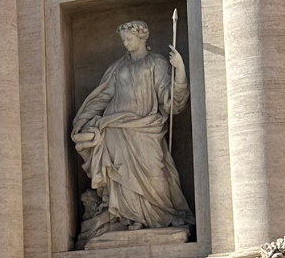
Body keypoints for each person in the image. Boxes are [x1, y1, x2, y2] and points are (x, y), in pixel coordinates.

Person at [71, 20, 193, 238]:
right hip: (116, 128)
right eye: (124, 40)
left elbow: (170, 100)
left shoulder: (156, 63)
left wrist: (180, 70)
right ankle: (130, 218)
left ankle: (160, 216)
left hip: (146, 128)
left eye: (130, 39)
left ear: (142, 37)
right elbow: (102, 97)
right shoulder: (117, 68)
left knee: (155, 175)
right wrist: (83, 120)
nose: (126, 43)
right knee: (120, 174)